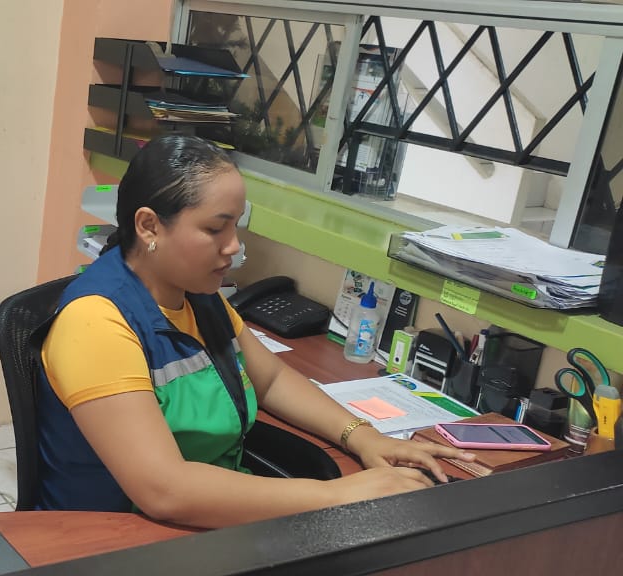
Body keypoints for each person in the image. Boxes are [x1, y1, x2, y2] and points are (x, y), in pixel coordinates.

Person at [35, 134, 473, 527]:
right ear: (149, 226)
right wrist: (335, 495)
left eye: (235, 226)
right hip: (115, 536)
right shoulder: (96, 321)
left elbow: (272, 378)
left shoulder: (197, 295)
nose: (233, 246)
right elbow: (164, 490)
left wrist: (363, 436)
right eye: (214, 228)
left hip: (207, 517)